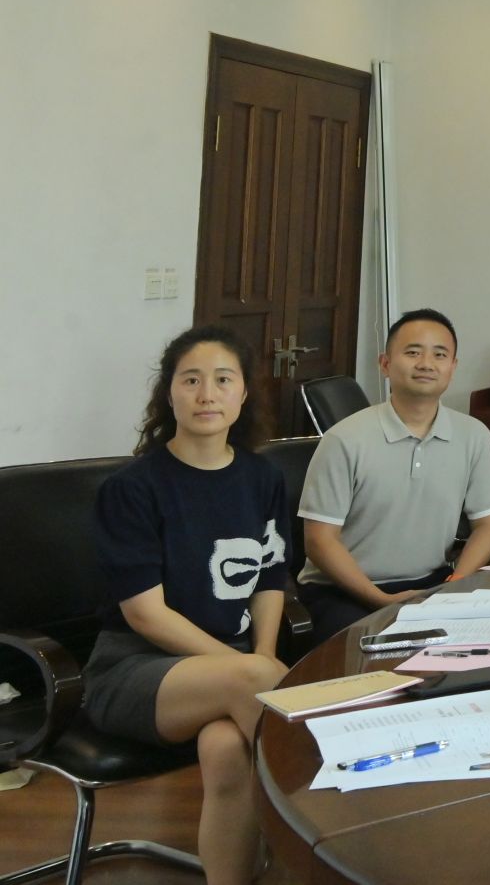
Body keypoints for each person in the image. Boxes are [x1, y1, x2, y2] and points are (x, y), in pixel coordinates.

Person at [87, 326, 290, 885]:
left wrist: (262, 651)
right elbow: (145, 615)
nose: (207, 394)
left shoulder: (263, 477)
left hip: (234, 667)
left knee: (226, 748)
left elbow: (270, 576)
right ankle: (339, 829)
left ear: (243, 393)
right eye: (191, 380)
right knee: (257, 680)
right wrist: (251, 665)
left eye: (223, 380)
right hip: (135, 667)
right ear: (169, 392)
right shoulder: (132, 488)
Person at [298, 309, 490, 641]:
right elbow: (319, 541)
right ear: (385, 364)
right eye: (413, 352)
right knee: (379, 654)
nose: (426, 364)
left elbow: (489, 525)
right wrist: (380, 600)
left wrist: (456, 584)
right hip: (343, 590)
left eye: (440, 355)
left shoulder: (473, 435)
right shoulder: (344, 439)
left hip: (433, 582)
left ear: (453, 367)